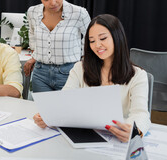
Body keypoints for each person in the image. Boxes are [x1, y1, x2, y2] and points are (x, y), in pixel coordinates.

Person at [33, 14, 151, 142]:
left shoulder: (138, 75)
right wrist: (48, 117)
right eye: (92, 41)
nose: (97, 45)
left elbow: (140, 113)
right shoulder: (80, 68)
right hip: (84, 137)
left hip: (117, 139)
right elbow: (64, 101)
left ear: (117, 37)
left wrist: (134, 131)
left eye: (103, 38)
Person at [24, 0, 91, 92]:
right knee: (42, 110)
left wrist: (82, 58)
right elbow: (33, 35)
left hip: (69, 73)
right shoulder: (32, 12)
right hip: (40, 74)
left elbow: (90, 38)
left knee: (68, 110)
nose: (53, 2)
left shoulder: (79, 13)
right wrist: (35, 56)